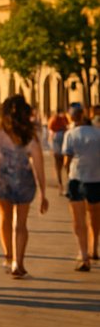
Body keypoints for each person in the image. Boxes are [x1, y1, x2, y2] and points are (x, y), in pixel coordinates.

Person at [0, 94, 49, 278]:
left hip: (3, 179)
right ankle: (18, 264)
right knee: (21, 224)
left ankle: (8, 255)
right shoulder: (31, 133)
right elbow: (38, 164)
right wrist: (43, 192)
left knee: (4, 216)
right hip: (24, 181)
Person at [62, 103, 100, 271]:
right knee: (94, 216)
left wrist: (66, 172)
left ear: (72, 117)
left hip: (77, 178)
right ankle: (94, 247)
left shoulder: (70, 134)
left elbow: (66, 159)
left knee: (78, 219)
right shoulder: (98, 133)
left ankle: (83, 255)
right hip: (96, 179)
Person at [49, 107, 75, 194]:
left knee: (59, 166)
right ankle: (67, 185)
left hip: (57, 140)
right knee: (66, 165)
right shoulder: (63, 118)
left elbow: (50, 129)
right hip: (62, 138)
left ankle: (61, 185)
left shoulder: (54, 119)